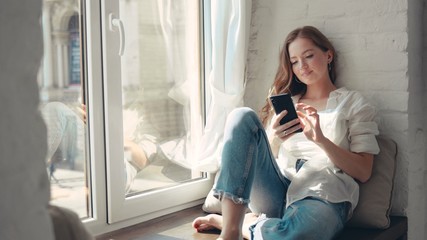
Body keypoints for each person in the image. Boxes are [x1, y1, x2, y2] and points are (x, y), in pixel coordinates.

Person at [192, 26, 380, 239]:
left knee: (294, 235)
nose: (302, 66)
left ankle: (243, 225)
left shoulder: (354, 103)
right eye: (294, 61)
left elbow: (364, 171)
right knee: (240, 116)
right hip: (275, 190)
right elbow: (257, 162)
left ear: (328, 55)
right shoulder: (287, 105)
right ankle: (230, 231)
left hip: (323, 193)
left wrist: (321, 139)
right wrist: (272, 138)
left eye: (308, 56)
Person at [41, 101, 158, 193]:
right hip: (97, 144)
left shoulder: (149, 117)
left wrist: (103, 127)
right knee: (55, 111)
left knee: (55, 109)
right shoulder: (114, 99)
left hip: (119, 168)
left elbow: (143, 160)